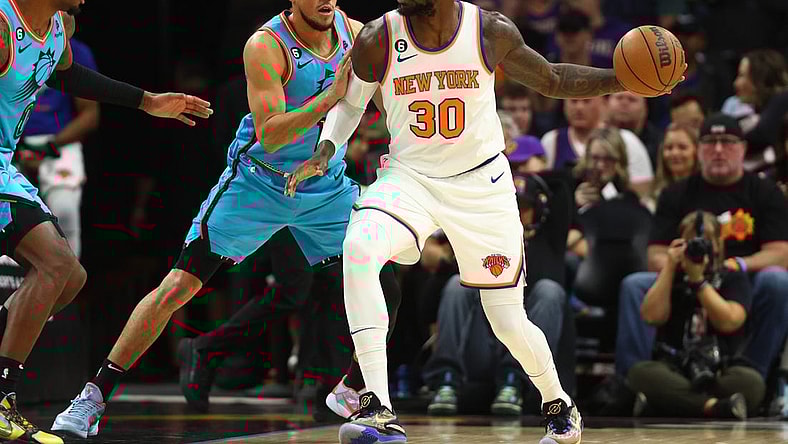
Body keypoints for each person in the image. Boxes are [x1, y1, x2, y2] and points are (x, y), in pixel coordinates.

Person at [286, 1, 684, 442]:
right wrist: (325, 150)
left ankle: (559, 405)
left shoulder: (487, 30)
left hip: (482, 187)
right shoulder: (377, 37)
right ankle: (376, 407)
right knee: (359, 248)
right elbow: (351, 103)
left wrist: (620, 79)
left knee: (507, 319)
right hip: (409, 178)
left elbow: (551, 78)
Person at [50, 0, 399, 438]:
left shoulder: (357, 33)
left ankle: (351, 386)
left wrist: (388, 144)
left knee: (384, 279)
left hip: (323, 184)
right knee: (178, 286)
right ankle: (93, 397)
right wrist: (330, 98)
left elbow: (388, 100)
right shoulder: (267, 45)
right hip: (259, 182)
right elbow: (272, 134)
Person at [0, 1, 212, 442]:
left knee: (70, 277)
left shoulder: (58, 27)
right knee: (55, 267)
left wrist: (147, 100)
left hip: (6, 164)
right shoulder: (2, 25)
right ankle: (2, 401)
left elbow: (70, 76)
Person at [616, 114, 788, 398]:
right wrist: (683, 267)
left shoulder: (764, 191)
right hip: (684, 278)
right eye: (710, 142)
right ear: (699, 149)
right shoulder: (676, 193)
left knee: (778, 282)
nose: (719, 150)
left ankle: (756, 379)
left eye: (728, 142)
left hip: (740, 280)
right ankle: (629, 384)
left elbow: (781, 254)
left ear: (743, 148)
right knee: (635, 284)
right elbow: (655, 255)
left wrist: (734, 265)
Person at [629, 211, 764, 420]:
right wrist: (669, 267)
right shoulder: (671, 276)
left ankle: (670, 404)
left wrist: (699, 282)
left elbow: (730, 321)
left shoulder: (733, 277)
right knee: (640, 374)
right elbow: (651, 317)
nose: (698, 249)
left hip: (720, 372)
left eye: (706, 243)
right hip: (676, 369)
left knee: (752, 384)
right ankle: (716, 407)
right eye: (690, 243)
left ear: (718, 244)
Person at [17, 37, 99, 259]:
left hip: (60, 142)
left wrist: (48, 147)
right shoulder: (12, 44)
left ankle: (65, 289)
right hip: (12, 142)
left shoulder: (78, 52)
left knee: (64, 210)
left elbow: (90, 115)